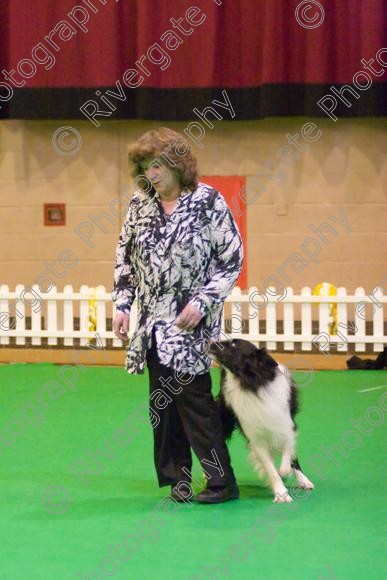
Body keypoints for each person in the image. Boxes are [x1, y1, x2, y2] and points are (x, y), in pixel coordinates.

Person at [112, 127, 243, 503]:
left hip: (192, 322)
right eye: (144, 166)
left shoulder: (208, 202)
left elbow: (231, 260)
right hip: (153, 323)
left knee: (197, 404)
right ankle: (177, 480)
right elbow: (125, 260)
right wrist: (123, 305)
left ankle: (221, 483)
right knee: (162, 407)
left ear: (177, 165)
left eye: (157, 165)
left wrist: (203, 301)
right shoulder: (139, 205)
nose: (151, 173)